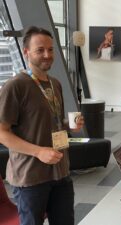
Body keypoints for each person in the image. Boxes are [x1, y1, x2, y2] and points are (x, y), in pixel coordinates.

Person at [0, 26, 84, 225]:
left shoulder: (55, 84)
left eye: (51, 49)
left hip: (60, 172)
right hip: (30, 178)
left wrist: (69, 126)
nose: (47, 55)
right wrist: (38, 152)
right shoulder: (15, 86)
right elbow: (2, 133)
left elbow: (51, 123)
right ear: (26, 52)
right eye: (40, 50)